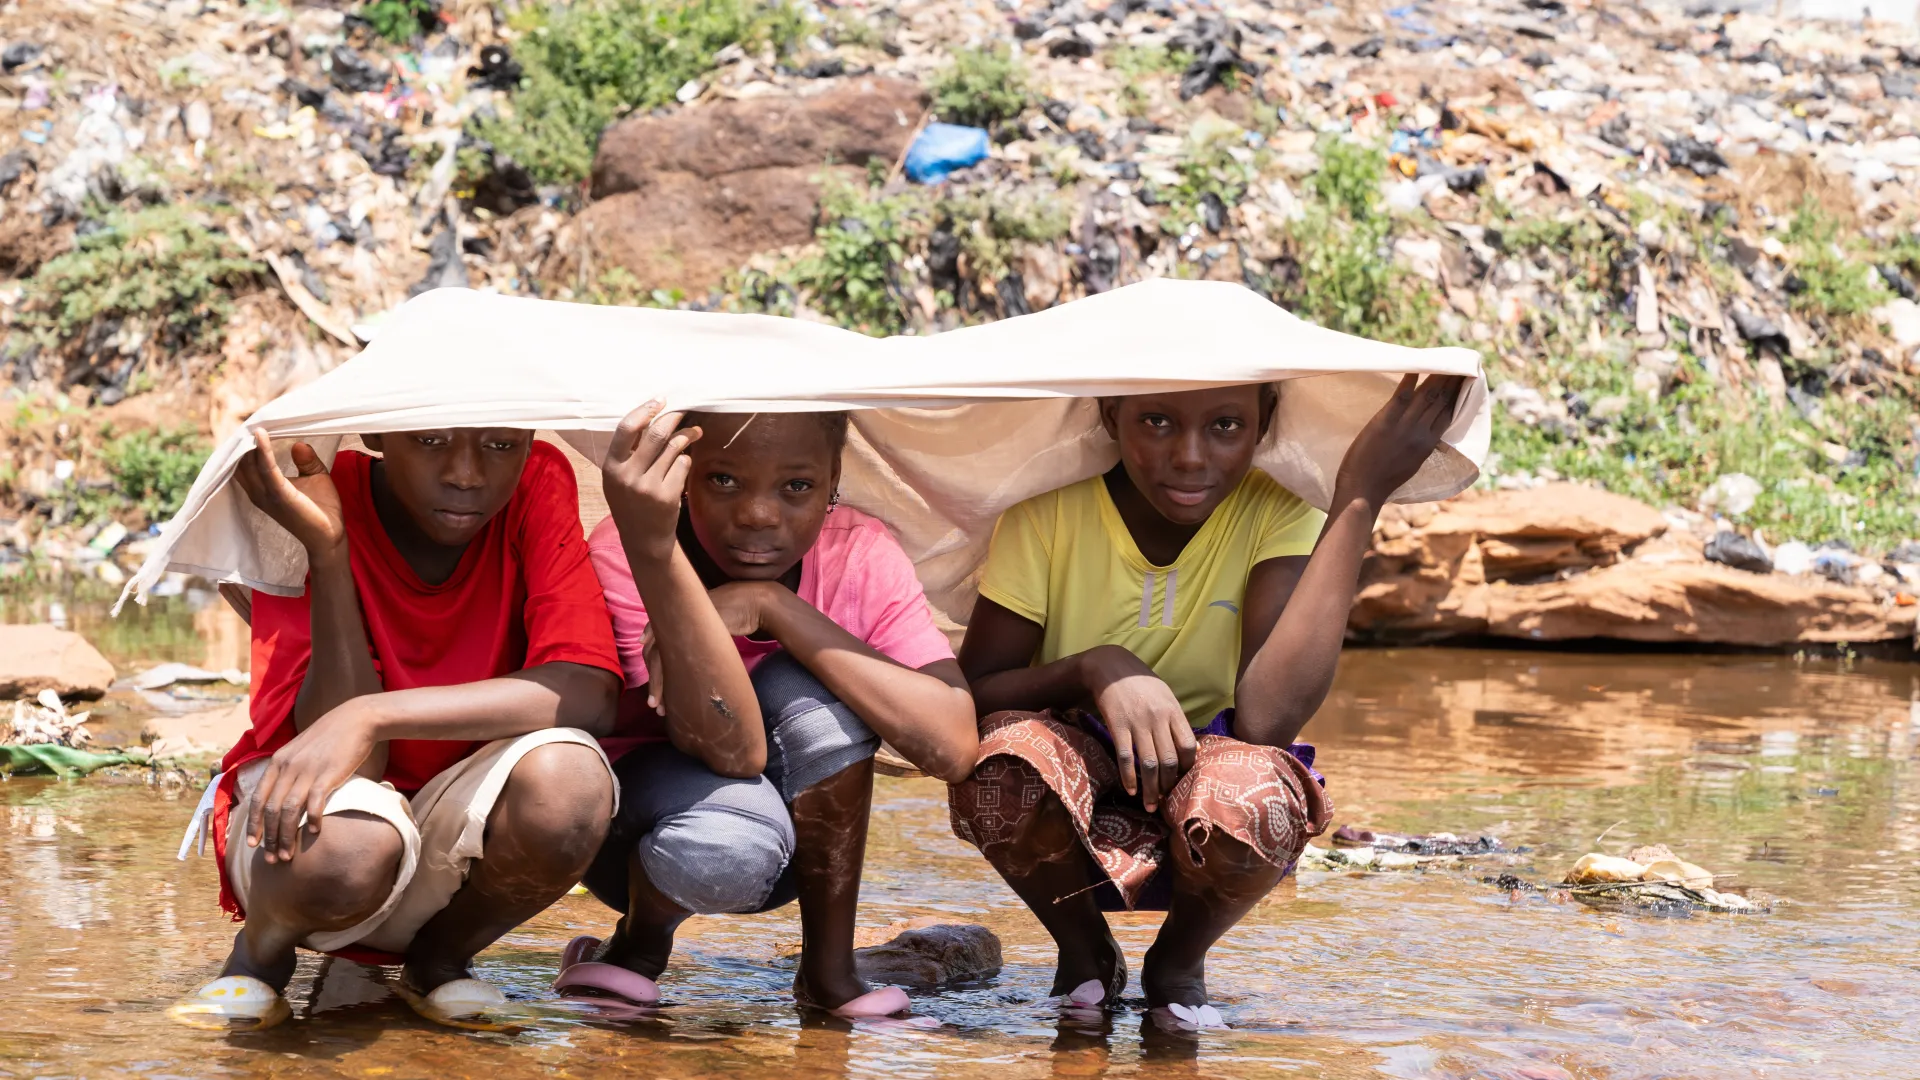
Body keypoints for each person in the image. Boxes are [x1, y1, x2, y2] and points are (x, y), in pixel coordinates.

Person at [949, 374, 1468, 1028]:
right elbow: (970, 695)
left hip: (1208, 779)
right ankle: (1084, 953)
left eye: (1225, 426)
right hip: (1077, 771)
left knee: (1253, 797)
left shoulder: (1275, 509)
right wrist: (1095, 669)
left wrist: (1359, 496)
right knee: (998, 763)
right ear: (1112, 414)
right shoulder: (1048, 513)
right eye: (1157, 423)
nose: (1191, 456)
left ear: (1264, 421)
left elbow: (1268, 720)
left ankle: (1178, 962)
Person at [171, 428, 624, 1031]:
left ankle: (440, 961)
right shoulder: (312, 490)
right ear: (381, 431)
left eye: (500, 445)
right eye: (432, 440)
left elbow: (588, 691)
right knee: (354, 842)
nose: (466, 474)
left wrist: (373, 713)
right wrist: (329, 551)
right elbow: (351, 768)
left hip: (451, 836)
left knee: (572, 782)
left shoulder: (537, 478)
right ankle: (260, 957)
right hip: (313, 846)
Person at [553, 402, 978, 1018]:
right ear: (683, 473)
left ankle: (830, 973)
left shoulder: (857, 555)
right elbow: (730, 748)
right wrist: (683, 598)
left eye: (797, 487)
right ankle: (637, 947)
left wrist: (773, 606)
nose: (756, 514)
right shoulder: (631, 550)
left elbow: (952, 746)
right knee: (730, 843)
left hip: (789, 853)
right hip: (639, 836)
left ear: (834, 484)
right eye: (723, 480)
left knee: (812, 690)